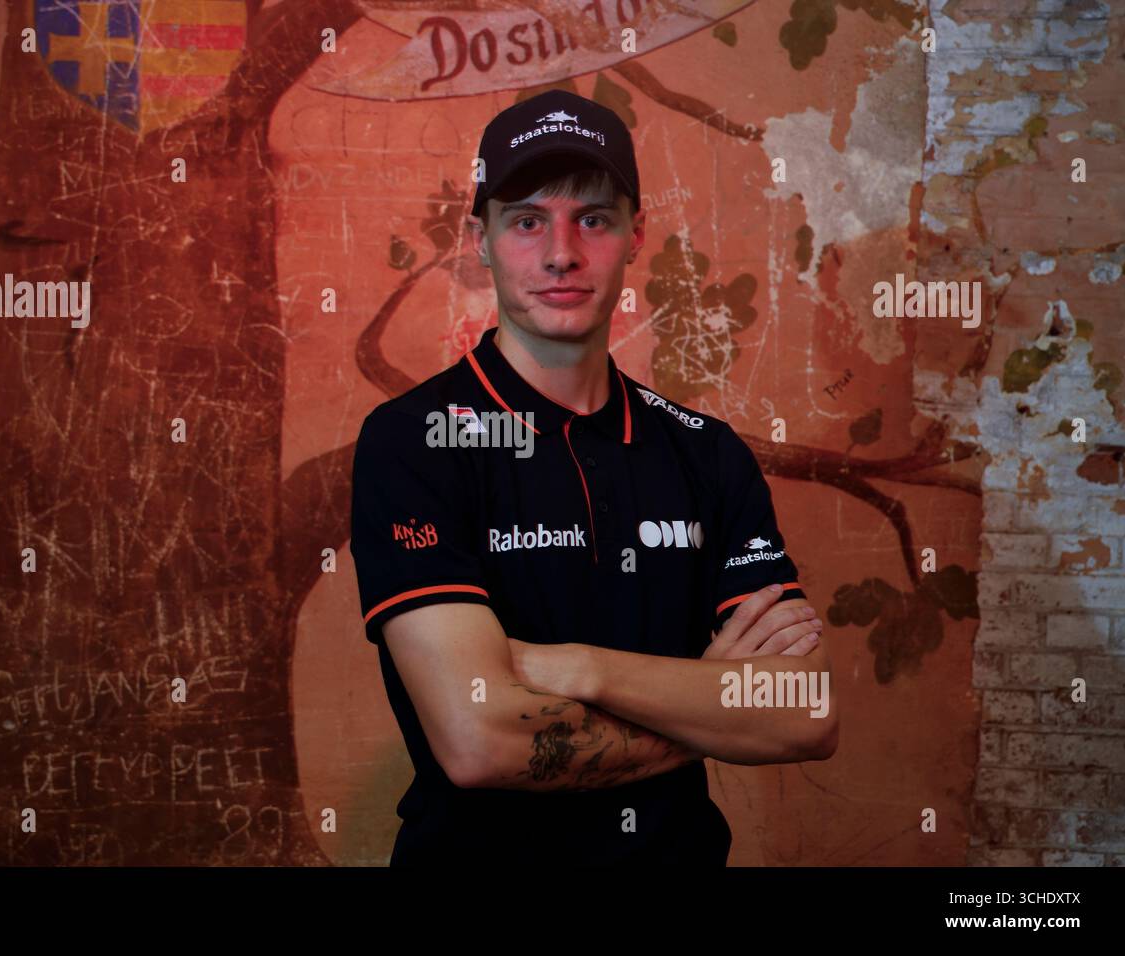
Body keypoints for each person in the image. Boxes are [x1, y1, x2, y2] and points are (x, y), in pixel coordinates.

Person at [349, 90, 838, 866]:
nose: (561, 254)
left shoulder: (707, 453)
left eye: (595, 219)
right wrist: (704, 699)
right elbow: (478, 742)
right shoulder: (412, 442)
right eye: (527, 220)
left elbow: (805, 714)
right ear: (480, 239)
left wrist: (578, 667)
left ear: (636, 233)